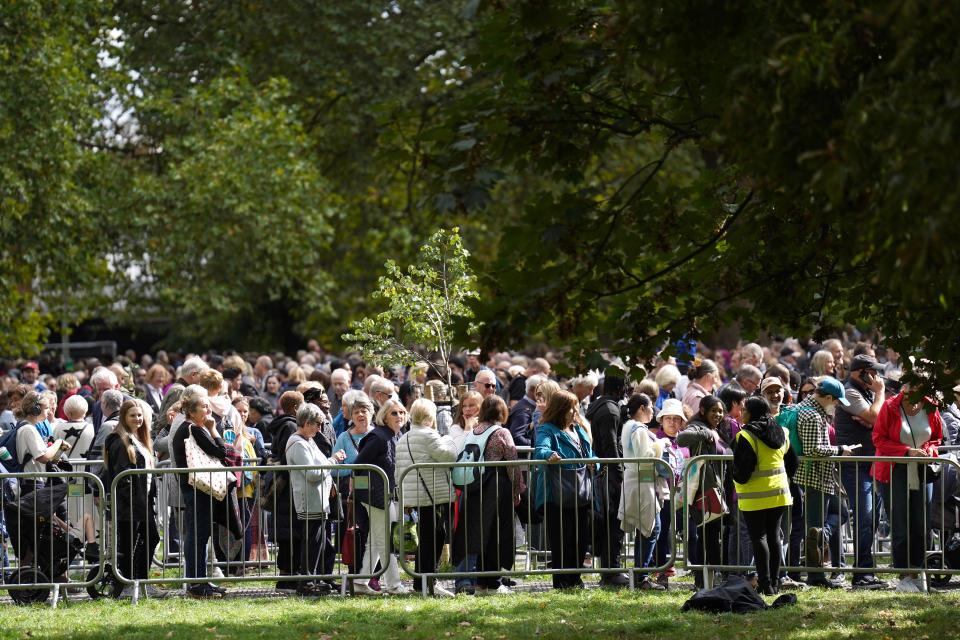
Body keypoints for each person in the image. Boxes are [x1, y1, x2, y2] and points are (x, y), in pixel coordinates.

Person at [872, 382, 942, 592]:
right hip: (895, 471)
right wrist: (906, 451)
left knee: (921, 525)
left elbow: (937, 437)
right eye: (910, 390)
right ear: (904, 389)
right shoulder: (890, 406)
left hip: (921, 470)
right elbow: (878, 438)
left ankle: (918, 573)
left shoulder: (931, 406)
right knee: (900, 525)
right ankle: (903, 575)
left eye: (919, 391)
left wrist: (929, 449)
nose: (914, 396)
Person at [452, 394, 524, 595]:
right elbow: (512, 463)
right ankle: (491, 582)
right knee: (495, 535)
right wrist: (518, 490)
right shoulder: (502, 432)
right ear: (502, 411)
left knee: (474, 534)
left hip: (474, 487)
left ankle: (475, 581)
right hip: (496, 489)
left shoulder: (475, 430)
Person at [732, 396, 798, 595]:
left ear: (752, 413)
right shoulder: (782, 432)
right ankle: (775, 582)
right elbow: (793, 463)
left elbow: (743, 470)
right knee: (774, 537)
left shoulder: (746, 436)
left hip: (754, 496)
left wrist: (734, 479)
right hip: (779, 494)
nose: (741, 414)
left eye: (744, 410)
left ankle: (766, 584)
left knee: (758, 538)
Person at [793, 378, 855, 588]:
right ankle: (816, 576)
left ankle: (821, 536)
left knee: (841, 513)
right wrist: (840, 450)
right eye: (837, 402)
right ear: (828, 397)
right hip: (815, 478)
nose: (837, 405)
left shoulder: (811, 410)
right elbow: (813, 450)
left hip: (821, 478)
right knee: (817, 525)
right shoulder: (811, 414)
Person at [833, 353, 887, 589]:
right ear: (861, 372)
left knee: (873, 518)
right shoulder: (850, 392)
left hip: (870, 464)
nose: (877, 377)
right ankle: (862, 573)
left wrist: (874, 417)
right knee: (865, 517)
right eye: (873, 372)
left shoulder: (865, 393)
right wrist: (880, 395)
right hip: (856, 465)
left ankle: (865, 570)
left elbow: (882, 420)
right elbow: (876, 417)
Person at [532, 390, 596, 590]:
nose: (575, 411)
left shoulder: (579, 430)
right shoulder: (547, 429)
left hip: (581, 492)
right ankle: (561, 582)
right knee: (562, 540)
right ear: (560, 409)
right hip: (556, 494)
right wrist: (549, 454)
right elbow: (540, 449)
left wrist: (596, 464)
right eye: (572, 407)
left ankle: (575, 579)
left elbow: (591, 455)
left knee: (581, 539)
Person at [102, 400, 165, 598]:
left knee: (151, 537)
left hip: (142, 500)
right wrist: (131, 500)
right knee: (128, 544)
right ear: (123, 417)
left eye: (139, 415)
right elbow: (122, 476)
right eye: (133, 415)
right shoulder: (119, 440)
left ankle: (140, 581)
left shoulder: (139, 438)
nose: (137, 419)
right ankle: (128, 585)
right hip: (129, 502)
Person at [395, 398, 458, 597]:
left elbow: (398, 471)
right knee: (436, 536)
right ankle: (429, 579)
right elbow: (448, 456)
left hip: (415, 496)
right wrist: (449, 439)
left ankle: (420, 580)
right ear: (430, 417)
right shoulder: (430, 435)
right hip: (433, 494)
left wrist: (403, 499)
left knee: (426, 537)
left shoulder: (403, 438)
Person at [352, 397, 411, 595]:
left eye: (402, 412)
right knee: (385, 541)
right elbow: (359, 464)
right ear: (384, 416)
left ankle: (360, 582)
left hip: (387, 495)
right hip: (376, 496)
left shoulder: (397, 435)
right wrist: (367, 491)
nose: (399, 416)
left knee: (379, 541)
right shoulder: (378, 437)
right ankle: (394, 585)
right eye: (394, 413)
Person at [172, 392, 228, 599]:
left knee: (200, 535)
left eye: (208, 406)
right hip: (196, 489)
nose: (208, 410)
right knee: (198, 535)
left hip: (197, 488)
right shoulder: (193, 428)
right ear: (192, 411)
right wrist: (214, 429)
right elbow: (222, 452)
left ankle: (200, 580)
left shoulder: (191, 428)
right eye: (204, 407)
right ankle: (196, 583)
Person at [585, 367, 630, 587]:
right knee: (614, 523)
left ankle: (609, 570)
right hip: (610, 474)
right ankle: (611, 571)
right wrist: (620, 474)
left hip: (602, 472)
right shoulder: (610, 410)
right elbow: (611, 445)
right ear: (621, 388)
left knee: (610, 523)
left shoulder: (599, 406)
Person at [677, 395, 727, 589]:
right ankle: (704, 581)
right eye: (714, 410)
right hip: (705, 490)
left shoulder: (719, 429)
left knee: (712, 536)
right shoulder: (699, 426)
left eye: (721, 411)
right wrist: (704, 434)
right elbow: (682, 438)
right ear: (703, 411)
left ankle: (709, 580)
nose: (718, 414)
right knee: (708, 537)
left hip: (719, 489)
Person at [285, 403, 335, 596]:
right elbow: (313, 473)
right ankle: (306, 581)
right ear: (307, 423)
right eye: (318, 424)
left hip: (318, 500)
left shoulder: (308, 440)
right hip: (309, 500)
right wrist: (333, 462)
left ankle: (312, 579)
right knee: (311, 543)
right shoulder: (298, 443)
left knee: (318, 542)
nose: (320, 428)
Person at [619, 393, 667, 590]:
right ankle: (641, 576)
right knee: (651, 528)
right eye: (650, 407)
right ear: (641, 408)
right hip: (641, 481)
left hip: (640, 481)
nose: (653, 412)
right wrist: (660, 444)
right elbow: (644, 457)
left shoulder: (631, 426)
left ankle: (642, 575)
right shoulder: (637, 428)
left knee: (647, 529)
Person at [333, 396, 375, 578]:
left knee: (377, 534)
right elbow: (335, 467)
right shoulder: (344, 437)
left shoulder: (377, 435)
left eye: (364, 411)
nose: (360, 415)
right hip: (353, 494)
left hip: (376, 492)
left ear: (371, 413)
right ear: (350, 416)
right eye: (356, 412)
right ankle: (355, 572)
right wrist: (353, 471)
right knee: (358, 532)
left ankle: (374, 574)